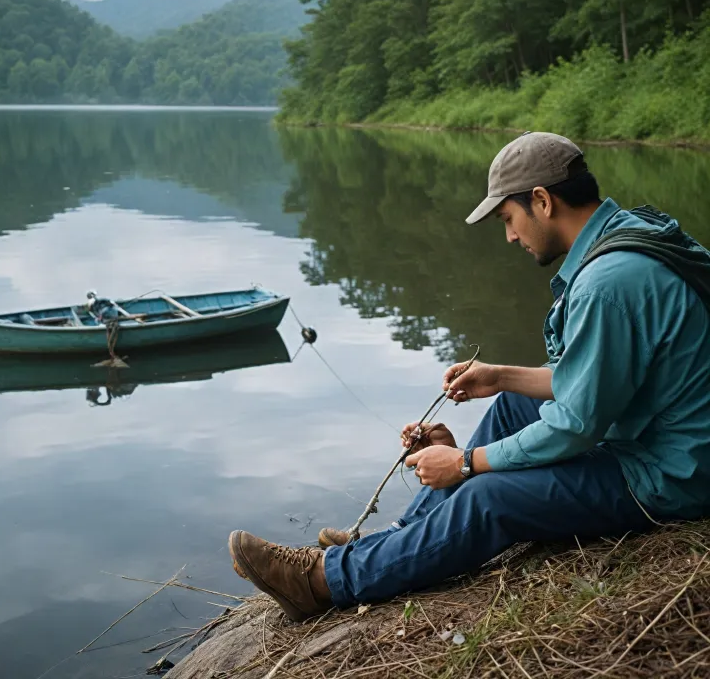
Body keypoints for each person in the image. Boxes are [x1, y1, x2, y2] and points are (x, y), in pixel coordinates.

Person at [228, 132, 710, 623]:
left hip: (671, 473)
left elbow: (576, 425)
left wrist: (465, 463)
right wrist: (501, 376)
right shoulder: (624, 235)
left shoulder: (608, 284)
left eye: (508, 219)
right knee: (510, 407)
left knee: (490, 496)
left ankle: (323, 582)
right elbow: (594, 376)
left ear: (541, 201)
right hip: (656, 430)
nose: (510, 236)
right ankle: (398, 540)